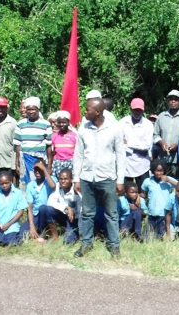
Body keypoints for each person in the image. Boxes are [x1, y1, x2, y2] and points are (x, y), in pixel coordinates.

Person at [73, 97, 126, 258]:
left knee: (111, 213)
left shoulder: (114, 129)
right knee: (87, 213)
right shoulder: (83, 129)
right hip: (87, 177)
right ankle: (86, 243)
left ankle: (114, 245)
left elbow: (121, 155)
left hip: (108, 177)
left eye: (88, 109)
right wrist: (76, 178)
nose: (85, 111)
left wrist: (120, 180)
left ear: (97, 112)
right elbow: (78, 155)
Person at [14, 96, 53, 184]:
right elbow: (17, 145)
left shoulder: (46, 124)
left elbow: (49, 146)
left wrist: (49, 165)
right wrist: (17, 162)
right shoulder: (20, 124)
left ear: (38, 109)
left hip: (40, 159)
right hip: (25, 159)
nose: (31, 112)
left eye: (33, 109)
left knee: (40, 183)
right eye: (28, 109)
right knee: (26, 185)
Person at [0, 170, 28, 247]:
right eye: (1, 184)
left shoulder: (17, 193)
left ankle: (6, 240)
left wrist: (9, 224)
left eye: (6, 183)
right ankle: (0, 240)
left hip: (12, 225)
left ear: (11, 181)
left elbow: (21, 211)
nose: (4, 185)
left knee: (10, 240)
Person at [152, 89, 179, 173]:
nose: (173, 101)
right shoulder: (161, 116)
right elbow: (155, 134)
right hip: (162, 158)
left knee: (177, 184)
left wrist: (178, 145)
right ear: (167, 101)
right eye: (171, 99)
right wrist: (161, 142)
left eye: (176, 99)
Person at [39, 168, 80, 244]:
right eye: (61, 179)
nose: (63, 181)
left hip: (74, 219)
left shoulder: (76, 190)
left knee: (68, 242)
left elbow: (81, 211)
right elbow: (50, 202)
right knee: (45, 209)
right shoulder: (58, 186)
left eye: (66, 179)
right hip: (63, 216)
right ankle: (53, 236)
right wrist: (66, 207)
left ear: (71, 179)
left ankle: (75, 233)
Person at [141, 159, 178, 239]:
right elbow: (143, 194)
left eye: (161, 171)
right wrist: (138, 197)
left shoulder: (168, 180)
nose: (159, 173)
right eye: (157, 171)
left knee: (161, 234)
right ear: (153, 170)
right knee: (147, 237)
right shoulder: (147, 181)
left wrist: (169, 180)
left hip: (163, 214)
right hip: (152, 213)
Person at [121, 98, 154, 185]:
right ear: (131, 109)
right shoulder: (123, 122)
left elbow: (146, 146)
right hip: (126, 164)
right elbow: (119, 143)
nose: (137, 112)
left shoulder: (148, 125)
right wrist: (137, 148)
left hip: (142, 165)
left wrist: (127, 143)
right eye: (135, 110)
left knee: (143, 192)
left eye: (139, 110)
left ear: (143, 110)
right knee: (126, 193)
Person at [25, 160, 56, 242]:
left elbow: (53, 186)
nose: (38, 172)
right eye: (36, 170)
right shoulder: (30, 185)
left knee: (43, 208)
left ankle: (43, 234)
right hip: (35, 215)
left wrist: (45, 170)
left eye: (40, 170)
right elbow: (30, 207)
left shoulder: (50, 180)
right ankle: (37, 231)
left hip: (47, 214)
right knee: (23, 234)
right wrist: (31, 226)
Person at [49, 110, 77, 178]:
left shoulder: (75, 136)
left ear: (68, 122)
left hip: (71, 163)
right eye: (59, 122)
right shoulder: (54, 136)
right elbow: (52, 152)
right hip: (57, 163)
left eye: (64, 122)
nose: (61, 124)